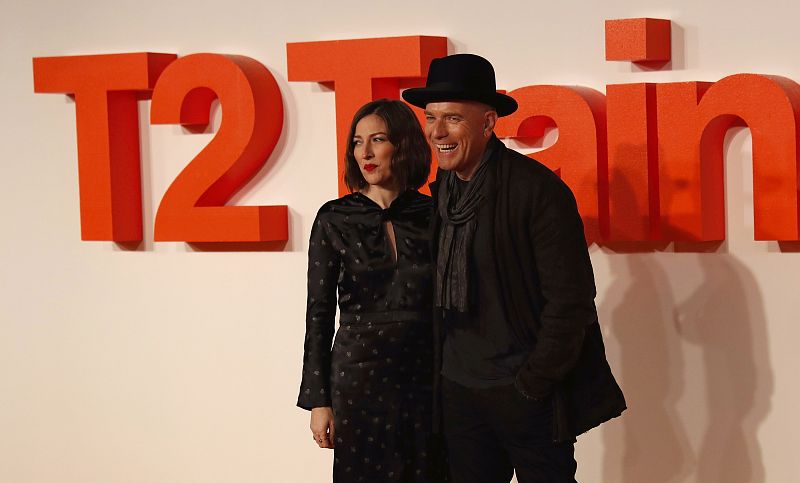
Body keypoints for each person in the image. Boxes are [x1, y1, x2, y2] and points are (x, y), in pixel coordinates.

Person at [402, 54, 626, 482]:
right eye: (431, 118)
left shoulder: (537, 192)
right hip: (461, 391)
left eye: (452, 118)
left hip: (523, 393)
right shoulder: (444, 190)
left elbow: (571, 302)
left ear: (488, 123)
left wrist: (532, 384)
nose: (437, 132)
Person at [297, 99, 445, 482]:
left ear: (403, 145)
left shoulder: (434, 214)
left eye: (377, 139)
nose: (364, 152)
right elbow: (318, 312)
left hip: (427, 373)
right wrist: (319, 400)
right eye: (357, 142)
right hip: (359, 379)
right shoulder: (333, 218)